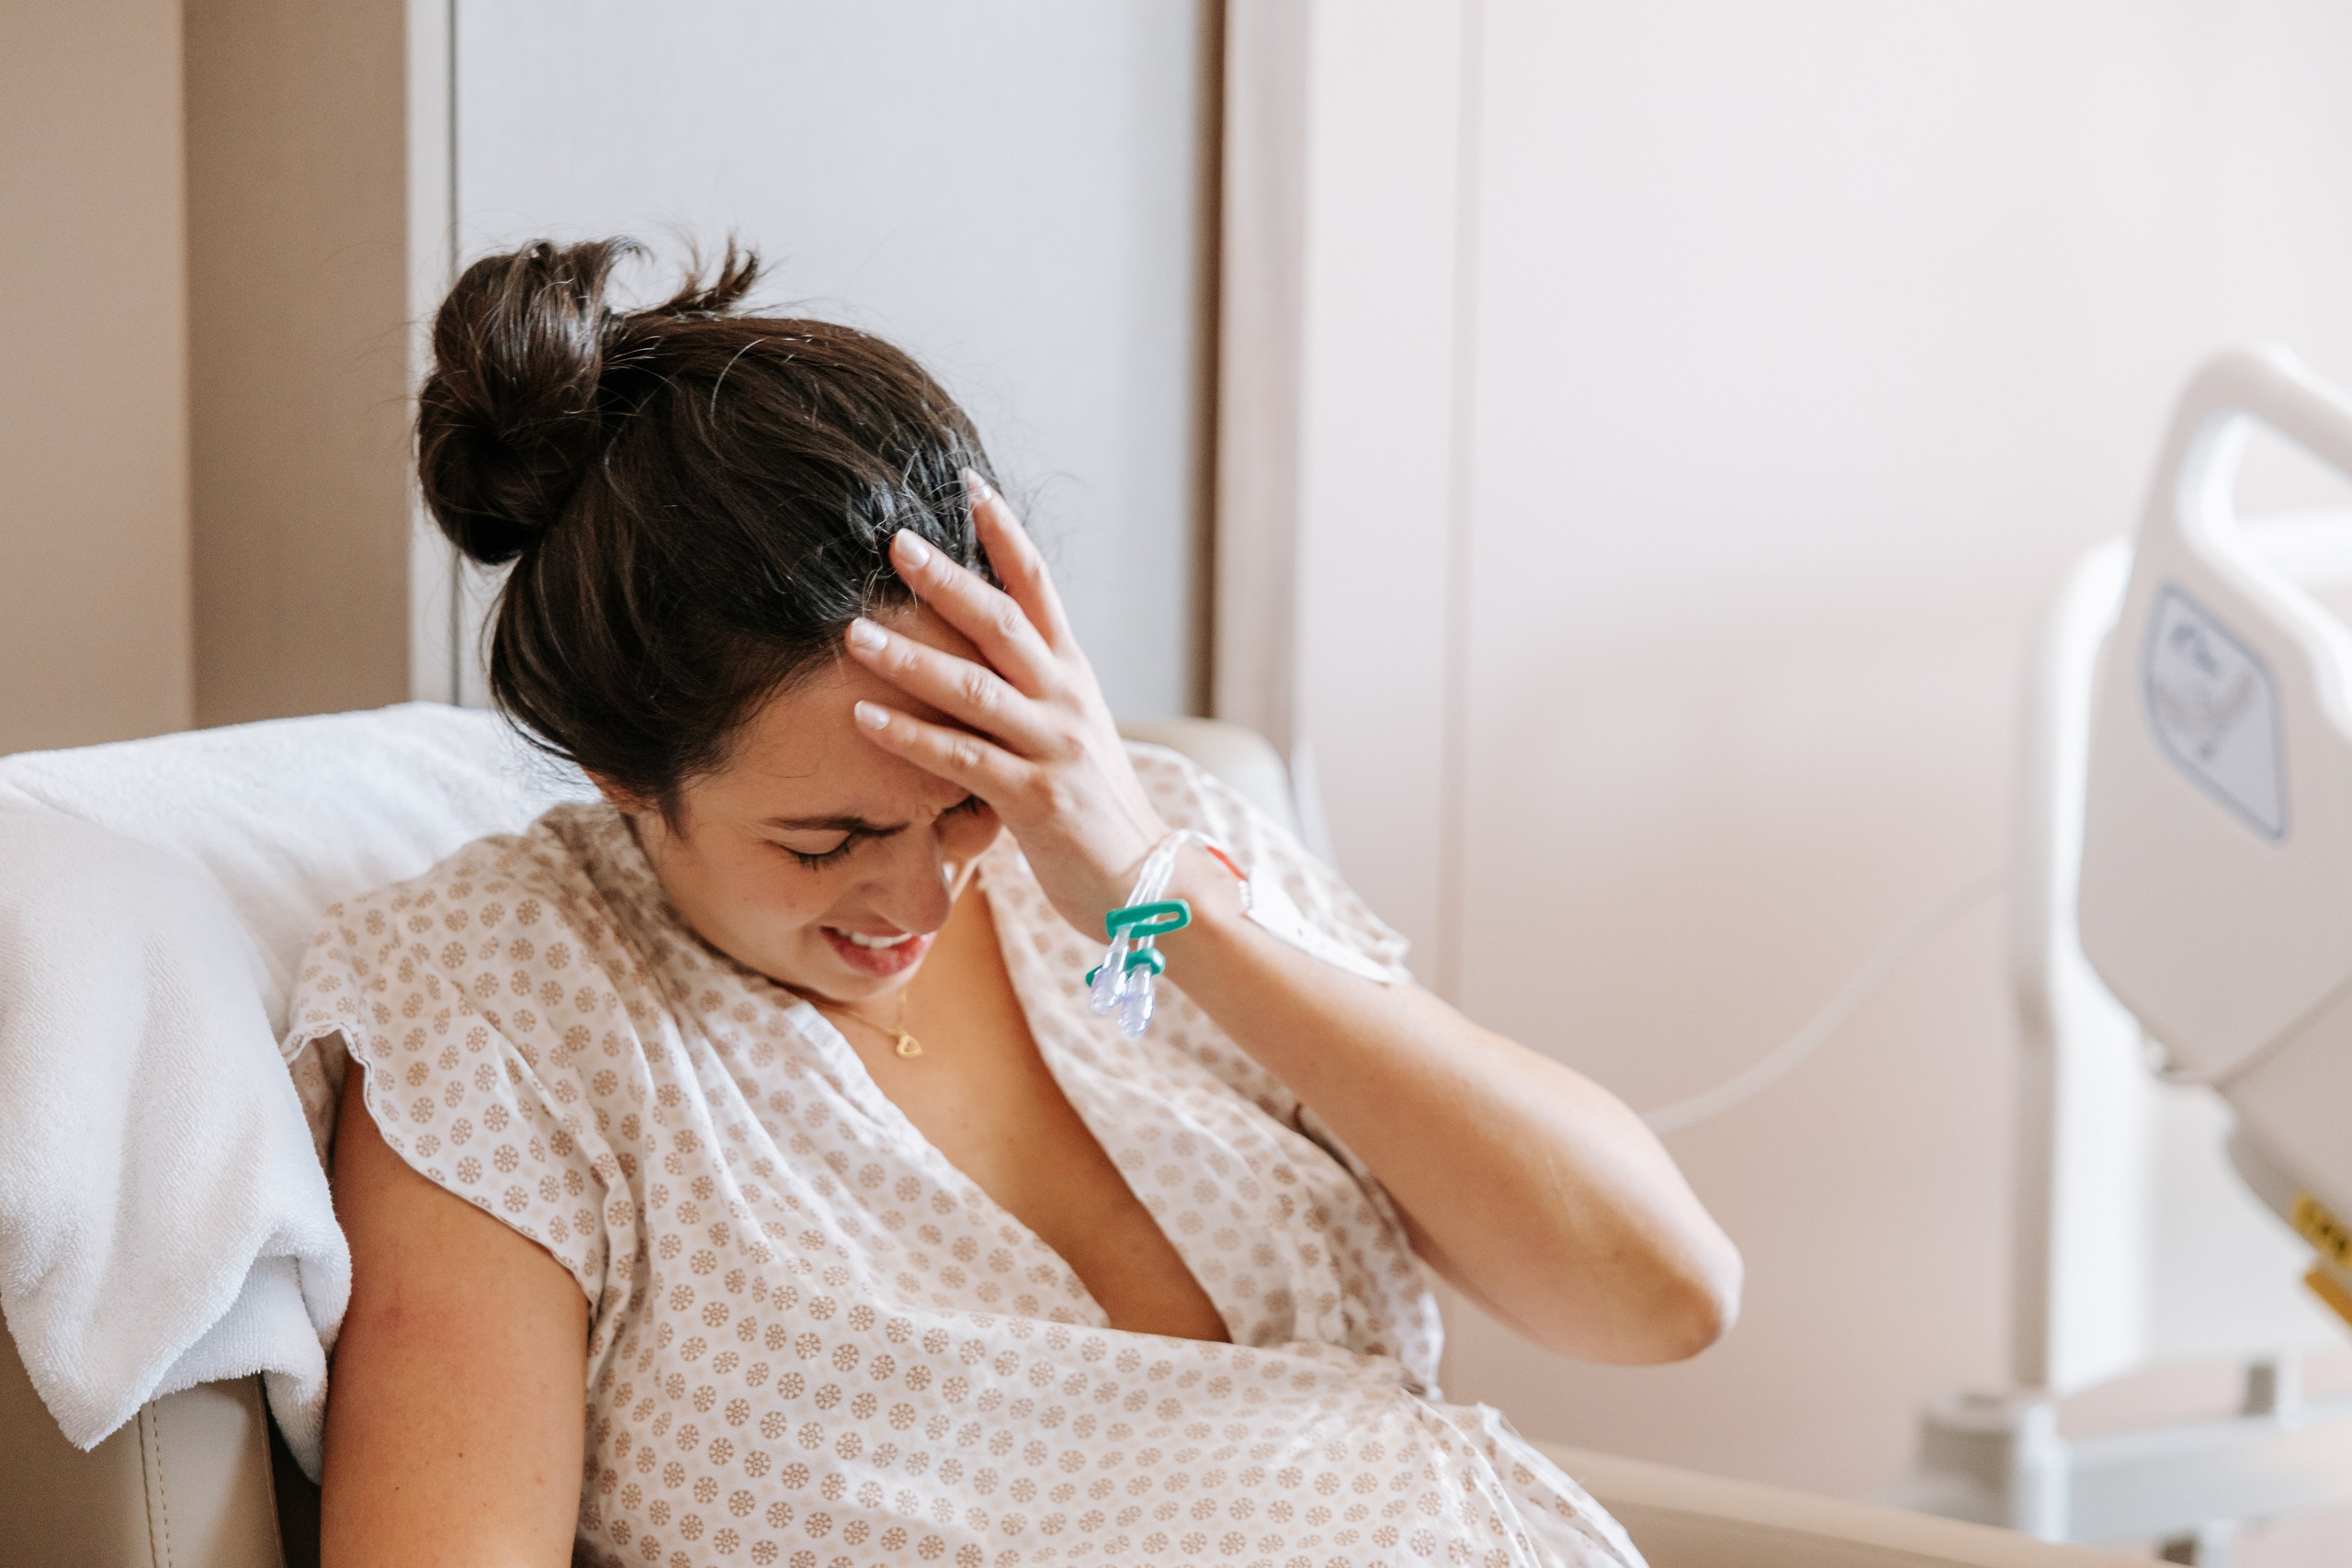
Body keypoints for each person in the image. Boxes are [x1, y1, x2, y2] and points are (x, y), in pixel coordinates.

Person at [286, 238, 1741, 1568]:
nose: (920, 892)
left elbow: (1665, 1296)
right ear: (625, 773)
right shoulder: (499, 999)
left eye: (962, 802)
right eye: (829, 840)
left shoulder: (1142, 855)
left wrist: (1155, 889)